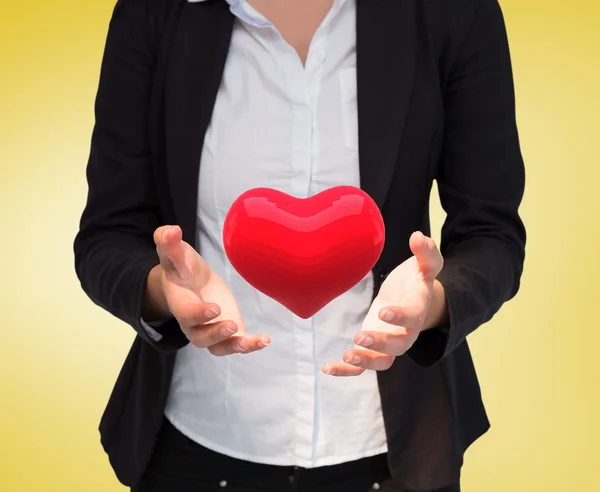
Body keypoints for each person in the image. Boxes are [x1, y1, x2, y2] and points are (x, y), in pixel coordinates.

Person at [73, 0, 526, 490]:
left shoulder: (453, 12)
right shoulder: (154, 14)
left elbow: (492, 234)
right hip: (194, 447)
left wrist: (433, 304)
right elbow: (107, 235)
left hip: (395, 454)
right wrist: (162, 291)